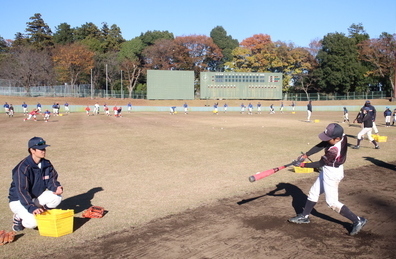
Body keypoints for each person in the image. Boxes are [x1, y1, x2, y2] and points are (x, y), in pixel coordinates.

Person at [289, 123, 367, 236]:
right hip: (328, 169)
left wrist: (302, 165)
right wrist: (306, 155)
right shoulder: (342, 136)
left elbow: (320, 163)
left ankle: (358, 220)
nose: (326, 140)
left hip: (332, 174)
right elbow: (323, 144)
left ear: (337, 139)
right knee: (313, 192)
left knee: (332, 202)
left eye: (328, 138)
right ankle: (304, 217)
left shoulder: (334, 150)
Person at [8, 137, 63, 231]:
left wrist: (56, 187)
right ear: (32, 150)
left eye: (44, 149)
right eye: (41, 149)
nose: (44, 151)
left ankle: (40, 213)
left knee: (57, 197)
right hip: (19, 201)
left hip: (34, 198)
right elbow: (22, 191)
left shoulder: (46, 163)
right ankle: (19, 218)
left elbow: (52, 179)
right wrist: (31, 207)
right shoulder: (22, 168)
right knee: (34, 223)